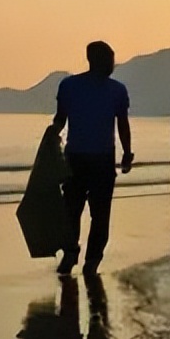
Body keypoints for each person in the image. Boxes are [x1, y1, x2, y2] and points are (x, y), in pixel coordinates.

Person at [51, 41, 133, 276]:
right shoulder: (73, 86)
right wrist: (51, 134)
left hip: (90, 158)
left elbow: (122, 125)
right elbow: (61, 118)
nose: (112, 64)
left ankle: (87, 259)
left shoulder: (110, 89)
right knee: (83, 212)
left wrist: (127, 152)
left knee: (85, 211)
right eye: (110, 59)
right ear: (96, 60)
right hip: (86, 158)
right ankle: (78, 255)